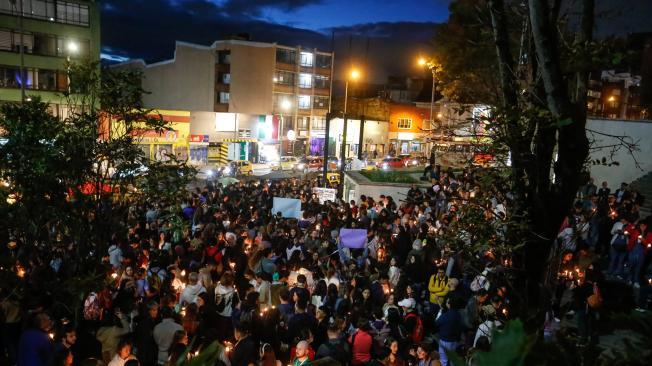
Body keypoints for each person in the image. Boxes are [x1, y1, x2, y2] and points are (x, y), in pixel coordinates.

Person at [436, 298, 463, 366]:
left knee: (443, 361)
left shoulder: (445, 315)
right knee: (452, 360)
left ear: (449, 305)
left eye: (447, 302)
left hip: (445, 341)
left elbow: (437, 323)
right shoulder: (458, 315)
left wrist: (440, 314)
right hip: (454, 341)